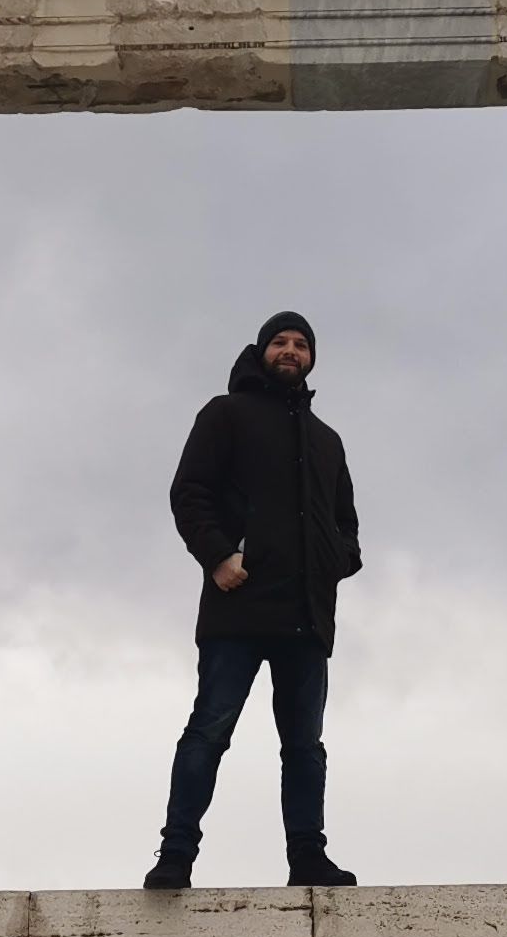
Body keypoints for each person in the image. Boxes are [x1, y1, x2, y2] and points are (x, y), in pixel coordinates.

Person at [150, 309, 362, 889]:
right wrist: (219, 556)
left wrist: (334, 564)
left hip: (305, 617)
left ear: (312, 357)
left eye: (300, 344)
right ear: (261, 350)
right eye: (279, 342)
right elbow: (187, 492)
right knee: (208, 730)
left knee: (304, 746)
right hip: (237, 605)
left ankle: (308, 860)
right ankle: (175, 858)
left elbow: (348, 525)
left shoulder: (327, 441)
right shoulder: (225, 415)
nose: (289, 350)